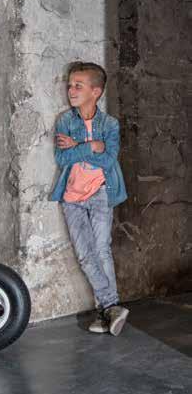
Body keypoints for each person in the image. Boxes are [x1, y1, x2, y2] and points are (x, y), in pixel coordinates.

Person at [50, 62, 129, 335]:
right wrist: (92, 146)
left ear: (96, 92)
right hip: (71, 197)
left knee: (102, 250)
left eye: (78, 86)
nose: (71, 90)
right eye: (70, 85)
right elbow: (62, 158)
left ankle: (104, 311)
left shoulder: (110, 124)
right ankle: (111, 308)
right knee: (85, 256)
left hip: (99, 193)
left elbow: (109, 158)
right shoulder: (65, 121)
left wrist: (80, 147)